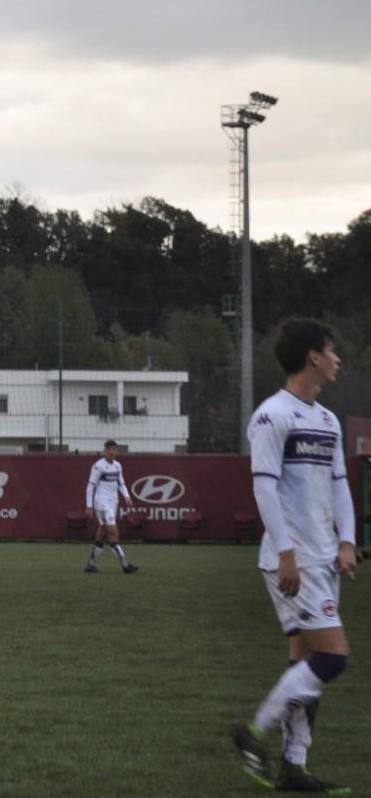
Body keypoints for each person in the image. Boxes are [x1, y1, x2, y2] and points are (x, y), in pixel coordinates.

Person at [231, 319, 356, 794]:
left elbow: (339, 487)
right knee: (334, 659)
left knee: (305, 668)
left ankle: (294, 769)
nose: (337, 357)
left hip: (323, 559)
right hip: (295, 562)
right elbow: (262, 488)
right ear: (313, 357)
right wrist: (286, 553)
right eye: (332, 349)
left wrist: (345, 542)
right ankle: (252, 732)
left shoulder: (327, 420)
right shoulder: (272, 415)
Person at [83, 440, 138, 574]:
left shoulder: (118, 466)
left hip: (113, 502)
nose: (113, 452)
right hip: (101, 503)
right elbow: (91, 485)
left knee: (102, 534)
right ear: (105, 451)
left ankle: (90, 565)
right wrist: (89, 506)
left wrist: (127, 496)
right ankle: (125, 565)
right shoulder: (98, 466)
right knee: (113, 532)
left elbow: (121, 483)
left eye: (115, 449)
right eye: (111, 449)